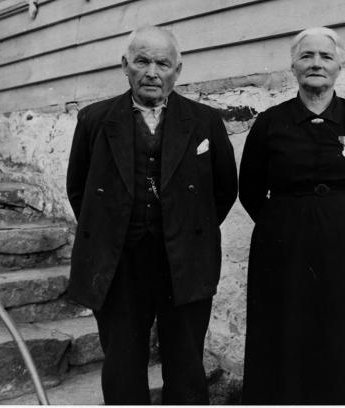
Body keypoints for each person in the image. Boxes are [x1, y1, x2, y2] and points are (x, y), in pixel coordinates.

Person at [66, 25, 237, 405]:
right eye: (142, 61)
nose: (152, 72)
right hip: (119, 264)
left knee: (186, 363)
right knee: (123, 364)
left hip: (185, 261)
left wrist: (188, 231)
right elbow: (79, 190)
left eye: (163, 63)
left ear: (178, 70)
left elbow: (224, 190)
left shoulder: (204, 121)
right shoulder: (95, 120)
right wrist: (115, 232)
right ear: (125, 66)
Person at [239, 27, 345, 404]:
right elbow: (250, 191)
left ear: (339, 66)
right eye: (307, 56)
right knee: (291, 331)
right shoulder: (270, 123)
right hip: (286, 250)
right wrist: (287, 223)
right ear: (293, 66)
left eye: (326, 57)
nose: (316, 64)